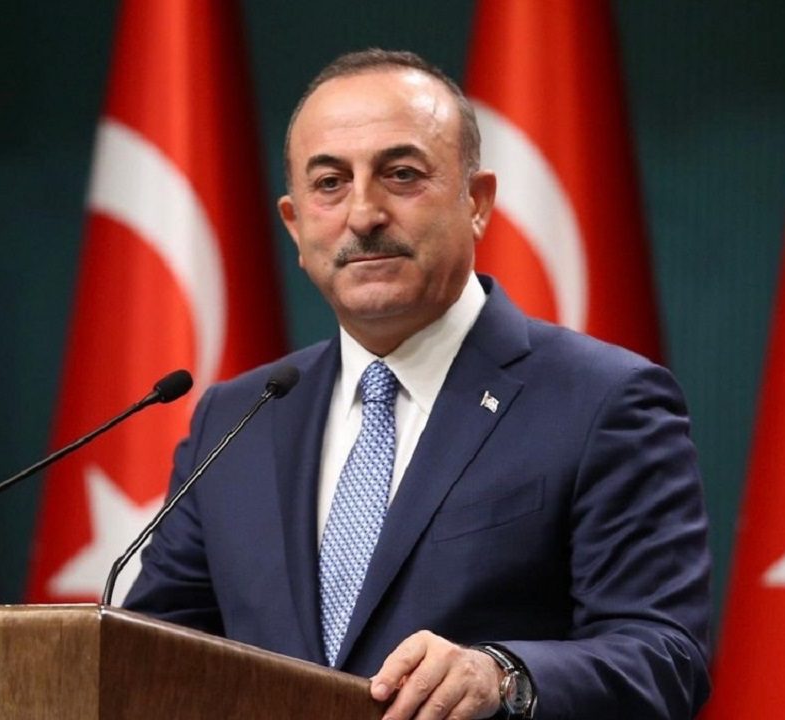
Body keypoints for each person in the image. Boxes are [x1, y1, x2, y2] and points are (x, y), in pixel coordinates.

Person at [124, 49, 711, 720]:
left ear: (477, 203)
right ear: (295, 224)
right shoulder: (236, 418)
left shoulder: (603, 400)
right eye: (330, 183)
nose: (364, 213)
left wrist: (503, 676)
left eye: (401, 175)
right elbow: (148, 659)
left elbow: (665, 657)